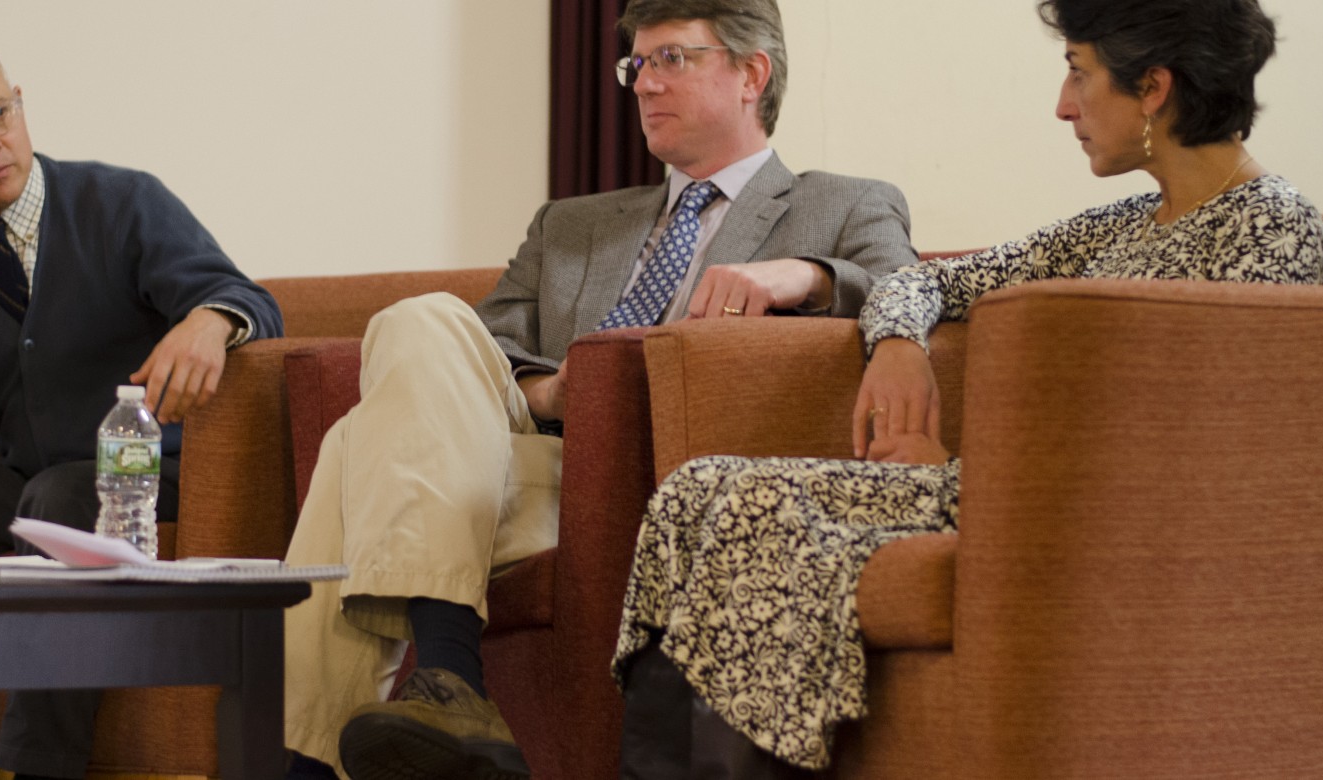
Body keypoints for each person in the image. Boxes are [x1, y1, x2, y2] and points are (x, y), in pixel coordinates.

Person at [612, 0, 1323, 776]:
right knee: (696, 489)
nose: (1064, 106)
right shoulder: (1119, 225)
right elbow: (919, 283)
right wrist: (898, 348)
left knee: (756, 511)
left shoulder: (1271, 229)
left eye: (1078, 74)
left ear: (1154, 87)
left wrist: (986, 466)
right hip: (988, 492)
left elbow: (1209, 452)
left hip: (1076, 516)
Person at [278, 2, 923, 778]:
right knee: (420, 322)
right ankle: (450, 685)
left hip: (664, 486)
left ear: (753, 72)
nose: (644, 84)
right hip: (518, 463)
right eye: (636, 66)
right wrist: (553, 393)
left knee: (358, 452)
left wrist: (806, 275)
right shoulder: (571, 224)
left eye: (671, 60)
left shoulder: (845, 203)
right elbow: (484, 341)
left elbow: (905, 288)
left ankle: (319, 757)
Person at [0, 34, 281, 780]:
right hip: (26, 491)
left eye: (0, 112)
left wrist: (210, 320)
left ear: (21, 103)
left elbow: (248, 298)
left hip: (137, 483)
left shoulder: (121, 203)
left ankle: (42, 767)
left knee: (65, 490)